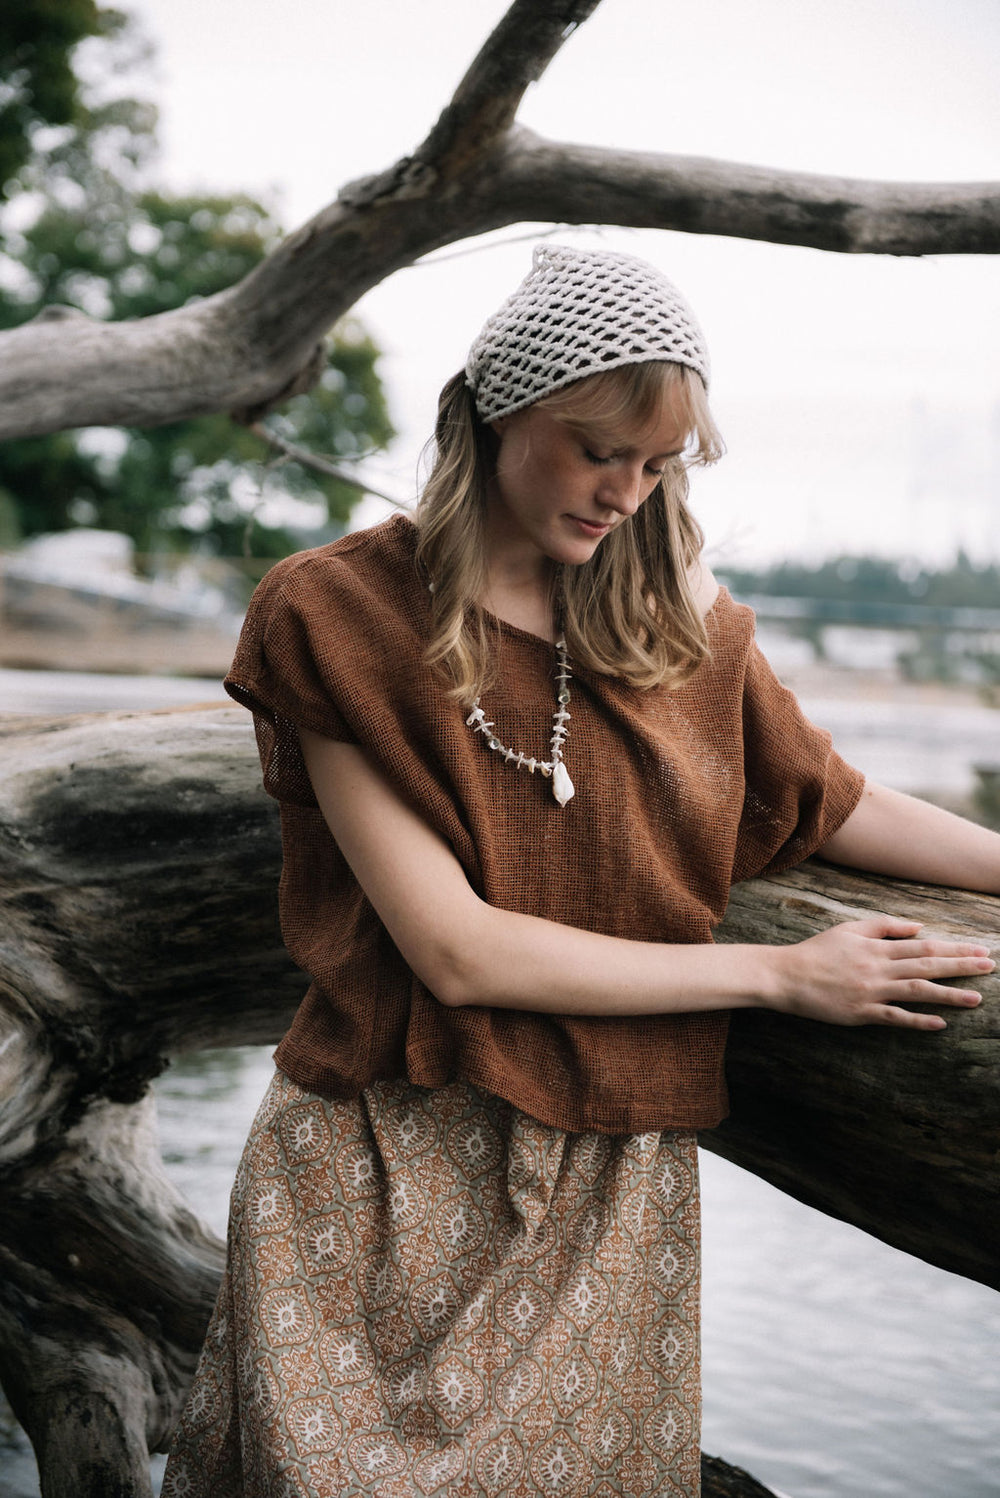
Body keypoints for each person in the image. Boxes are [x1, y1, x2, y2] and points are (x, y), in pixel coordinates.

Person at [162, 244, 998, 1498]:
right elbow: (456, 946)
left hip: (611, 1187)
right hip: (380, 1167)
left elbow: (829, 802)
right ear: (501, 407)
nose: (626, 490)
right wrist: (778, 975)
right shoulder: (336, 616)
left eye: (658, 464)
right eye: (600, 447)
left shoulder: (677, 629)